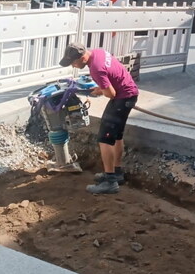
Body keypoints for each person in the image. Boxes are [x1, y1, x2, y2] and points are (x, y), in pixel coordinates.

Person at [59, 42, 139, 194]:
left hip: (121, 97)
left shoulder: (95, 68)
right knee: (116, 135)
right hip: (129, 92)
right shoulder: (99, 53)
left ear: (82, 58)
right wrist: (102, 87)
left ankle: (110, 182)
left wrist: (100, 91)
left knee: (104, 139)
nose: (73, 66)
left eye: (73, 63)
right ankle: (117, 173)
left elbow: (111, 94)